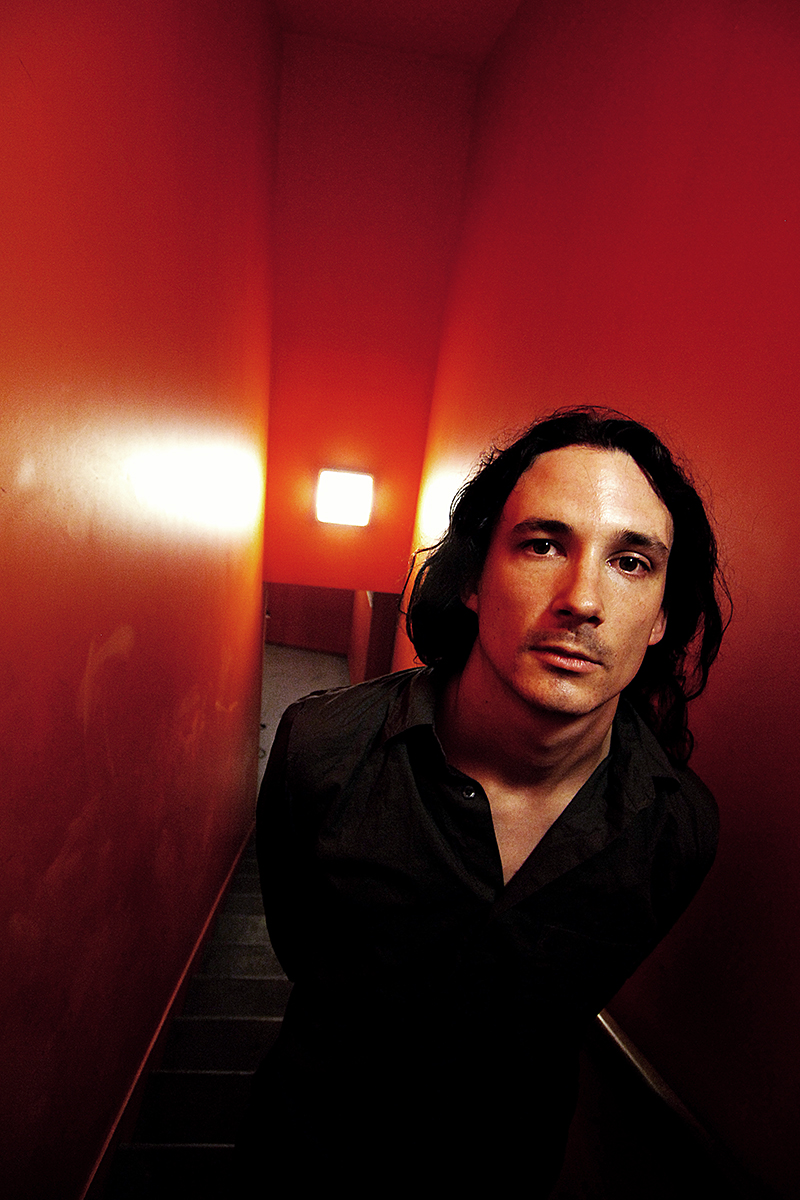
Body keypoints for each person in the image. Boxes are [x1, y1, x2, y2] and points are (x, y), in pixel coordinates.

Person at [239, 407, 730, 1195]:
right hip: (305, 1150)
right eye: (542, 544)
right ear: (473, 577)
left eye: (632, 562)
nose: (582, 599)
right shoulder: (323, 749)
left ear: (662, 617)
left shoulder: (675, 829)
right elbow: (302, 946)